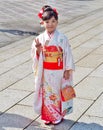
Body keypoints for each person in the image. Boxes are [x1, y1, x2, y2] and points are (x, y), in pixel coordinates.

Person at [31, 5, 75, 125]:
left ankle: (57, 115)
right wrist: (38, 49)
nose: (50, 24)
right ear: (42, 23)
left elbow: (68, 54)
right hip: (46, 71)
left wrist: (68, 70)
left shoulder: (62, 38)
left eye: (53, 21)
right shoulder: (40, 38)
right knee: (47, 93)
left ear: (57, 22)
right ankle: (48, 115)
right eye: (47, 21)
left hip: (59, 71)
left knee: (57, 92)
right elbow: (37, 57)